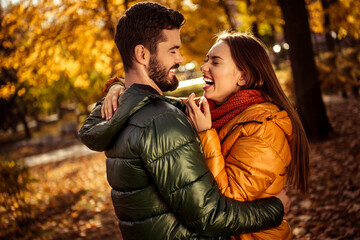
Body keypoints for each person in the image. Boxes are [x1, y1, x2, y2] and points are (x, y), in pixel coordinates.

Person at [79, 2, 289, 240]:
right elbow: (210, 216)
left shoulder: (121, 114)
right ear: (142, 54)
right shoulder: (163, 121)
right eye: (173, 50)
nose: (181, 58)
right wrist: (276, 208)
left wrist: (119, 87)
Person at [184, 32, 309, 239]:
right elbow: (165, 104)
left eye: (215, 62)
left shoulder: (265, 128)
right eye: (206, 60)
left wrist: (205, 134)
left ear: (243, 76)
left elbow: (228, 200)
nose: (204, 67)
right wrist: (120, 88)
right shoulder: (219, 112)